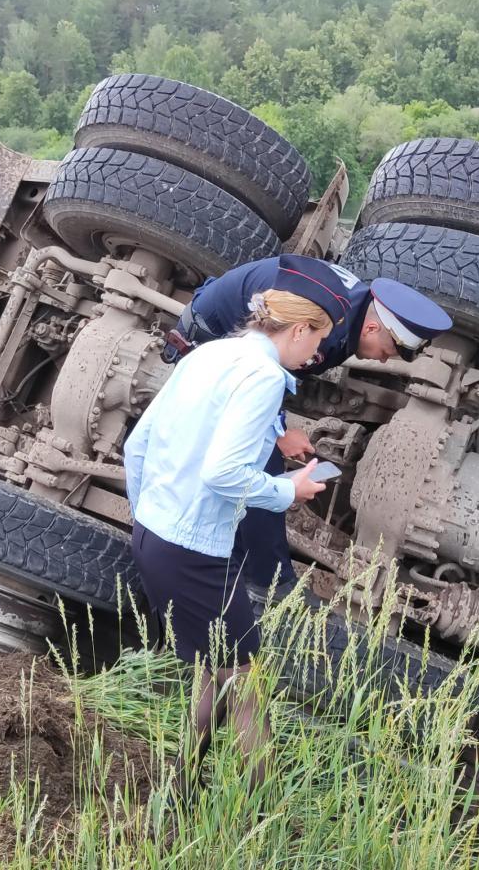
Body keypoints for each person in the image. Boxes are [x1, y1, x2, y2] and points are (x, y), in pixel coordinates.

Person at [124, 288, 334, 798]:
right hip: (194, 552)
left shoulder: (212, 352)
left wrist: (147, 517)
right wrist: (290, 490)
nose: (316, 357)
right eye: (318, 343)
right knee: (246, 684)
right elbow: (223, 473)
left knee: (218, 672)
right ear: (299, 330)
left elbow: (137, 445)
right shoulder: (263, 378)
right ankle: (262, 820)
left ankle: (179, 794)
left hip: (156, 535)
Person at [168, 253, 453, 592]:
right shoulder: (330, 333)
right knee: (259, 467)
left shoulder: (355, 308)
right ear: (374, 327)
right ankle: (268, 583)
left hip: (235, 335)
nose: (387, 359)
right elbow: (253, 372)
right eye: (391, 350)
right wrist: (279, 432)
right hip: (208, 343)